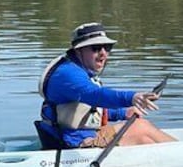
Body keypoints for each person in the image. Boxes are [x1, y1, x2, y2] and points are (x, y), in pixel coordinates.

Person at [38, 22, 176, 149]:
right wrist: (132, 97)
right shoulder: (68, 74)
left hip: (84, 138)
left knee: (145, 141)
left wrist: (123, 113)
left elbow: (89, 110)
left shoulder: (80, 70)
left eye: (107, 47)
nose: (103, 53)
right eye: (96, 48)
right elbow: (94, 95)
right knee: (141, 127)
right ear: (78, 50)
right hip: (72, 145)